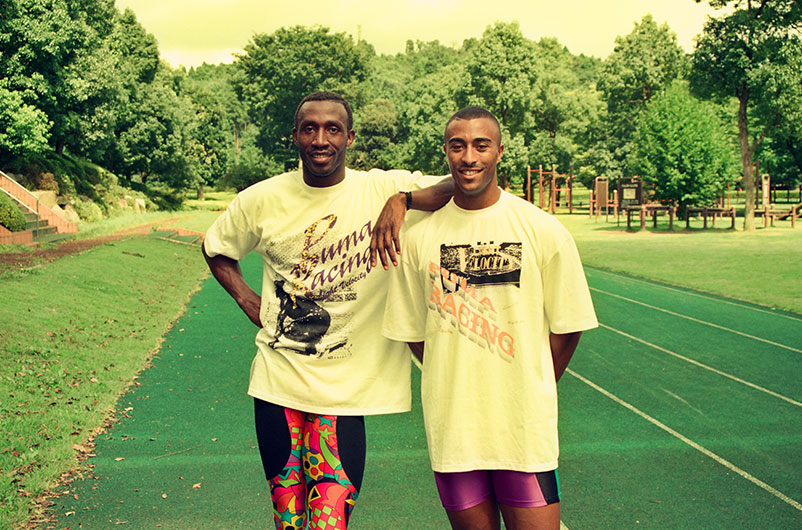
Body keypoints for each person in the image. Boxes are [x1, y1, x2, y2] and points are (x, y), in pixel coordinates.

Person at [202, 90, 451, 530]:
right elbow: (216, 247)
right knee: (288, 520)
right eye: (310, 128)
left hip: (344, 391)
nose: (321, 139)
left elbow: (461, 183)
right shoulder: (262, 199)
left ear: (349, 137)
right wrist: (246, 298)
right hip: (278, 384)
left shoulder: (379, 188)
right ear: (294, 137)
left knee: (330, 522)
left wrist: (404, 201)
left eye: (332, 129)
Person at [382, 106, 598, 530]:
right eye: (458, 146)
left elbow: (568, 326)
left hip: (523, 430)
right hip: (454, 431)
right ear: (445, 151)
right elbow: (414, 334)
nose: (469, 157)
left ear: (500, 151)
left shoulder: (543, 229)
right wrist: (458, 371)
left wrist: (528, 381)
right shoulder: (419, 240)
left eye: (481, 145)